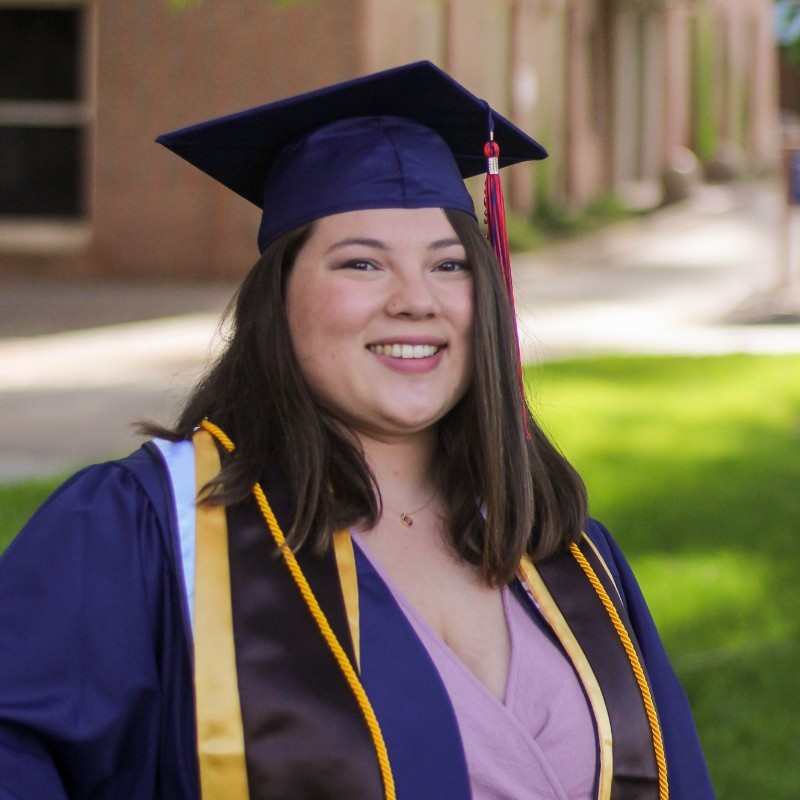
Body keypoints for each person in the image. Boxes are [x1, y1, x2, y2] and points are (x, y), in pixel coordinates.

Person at [0, 62, 715, 800]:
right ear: (279, 299)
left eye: (448, 265)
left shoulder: (564, 550)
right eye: (363, 262)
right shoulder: (147, 532)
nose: (416, 300)